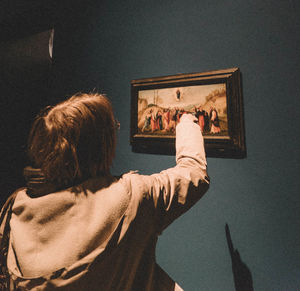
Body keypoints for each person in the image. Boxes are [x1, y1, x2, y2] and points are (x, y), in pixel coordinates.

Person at [0, 92, 210, 290]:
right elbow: (193, 173)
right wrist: (186, 124)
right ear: (101, 146)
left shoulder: (15, 205)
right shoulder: (134, 195)